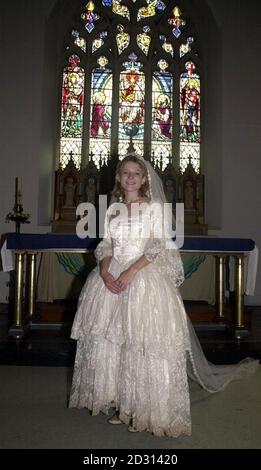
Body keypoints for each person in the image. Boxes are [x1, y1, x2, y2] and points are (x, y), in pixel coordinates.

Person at [69, 153, 259, 437]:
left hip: (143, 277)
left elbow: (158, 245)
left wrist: (130, 272)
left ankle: (143, 410)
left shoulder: (154, 207)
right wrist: (107, 272)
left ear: (145, 179)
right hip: (111, 281)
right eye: (126, 173)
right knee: (116, 344)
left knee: (143, 344)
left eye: (136, 173)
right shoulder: (113, 209)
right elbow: (106, 244)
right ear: (119, 178)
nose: (131, 177)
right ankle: (123, 404)